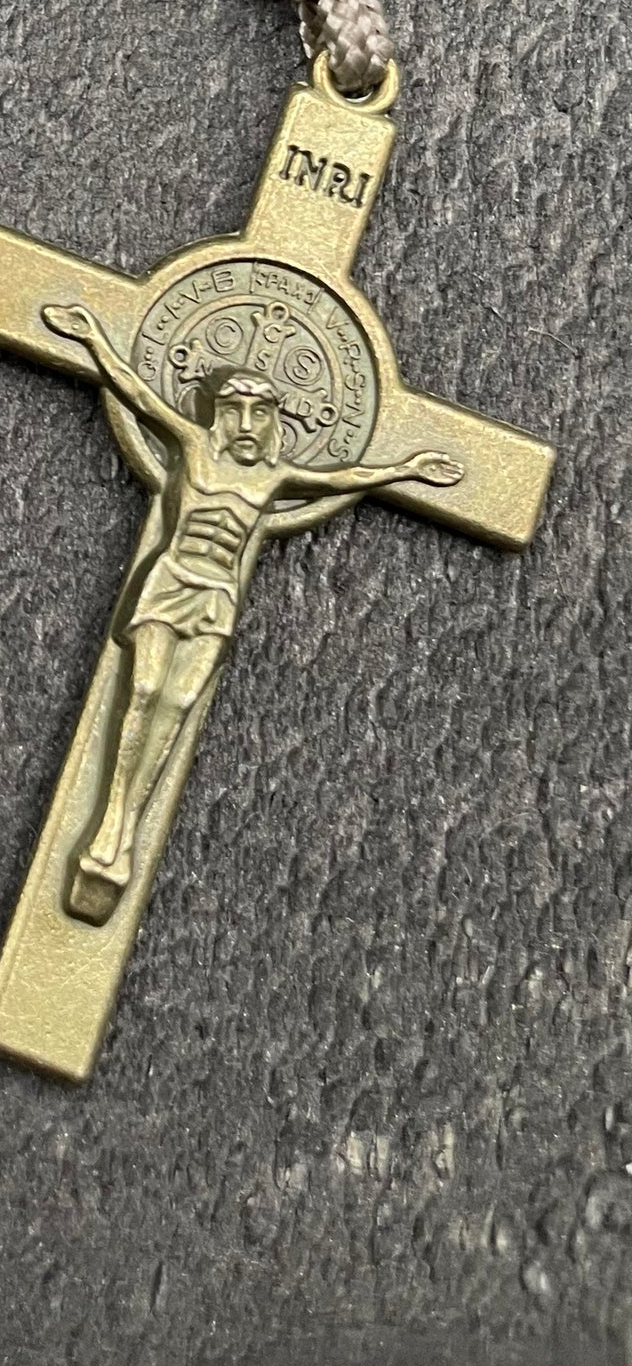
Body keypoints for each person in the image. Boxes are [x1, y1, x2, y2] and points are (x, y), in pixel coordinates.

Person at [39, 301, 463, 923]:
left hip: (217, 593)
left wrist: (409, 468)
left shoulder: (277, 475)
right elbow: (135, 392)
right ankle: (109, 820)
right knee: (147, 688)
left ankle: (126, 825)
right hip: (172, 578)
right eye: (234, 409)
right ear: (218, 413)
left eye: (258, 412)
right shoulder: (192, 445)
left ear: (271, 421)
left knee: (180, 705)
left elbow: (347, 475)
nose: (244, 421)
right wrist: (95, 334)